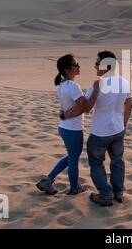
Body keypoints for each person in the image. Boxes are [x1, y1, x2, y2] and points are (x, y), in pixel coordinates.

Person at [62, 51, 132, 206]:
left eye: (97, 63)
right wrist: (123, 124)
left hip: (100, 132)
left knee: (96, 163)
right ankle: (118, 192)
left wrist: (65, 114)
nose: (94, 66)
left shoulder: (97, 85)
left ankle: (106, 194)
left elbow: (85, 108)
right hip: (118, 130)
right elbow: (129, 105)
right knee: (117, 161)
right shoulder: (124, 82)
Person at [36, 54, 99, 195]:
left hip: (64, 127)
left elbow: (71, 107)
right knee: (73, 158)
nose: (78, 67)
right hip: (73, 129)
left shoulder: (61, 85)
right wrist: (96, 91)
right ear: (67, 69)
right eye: (75, 64)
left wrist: (65, 114)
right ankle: (74, 187)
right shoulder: (73, 86)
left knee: (71, 156)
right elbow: (84, 107)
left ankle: (48, 181)